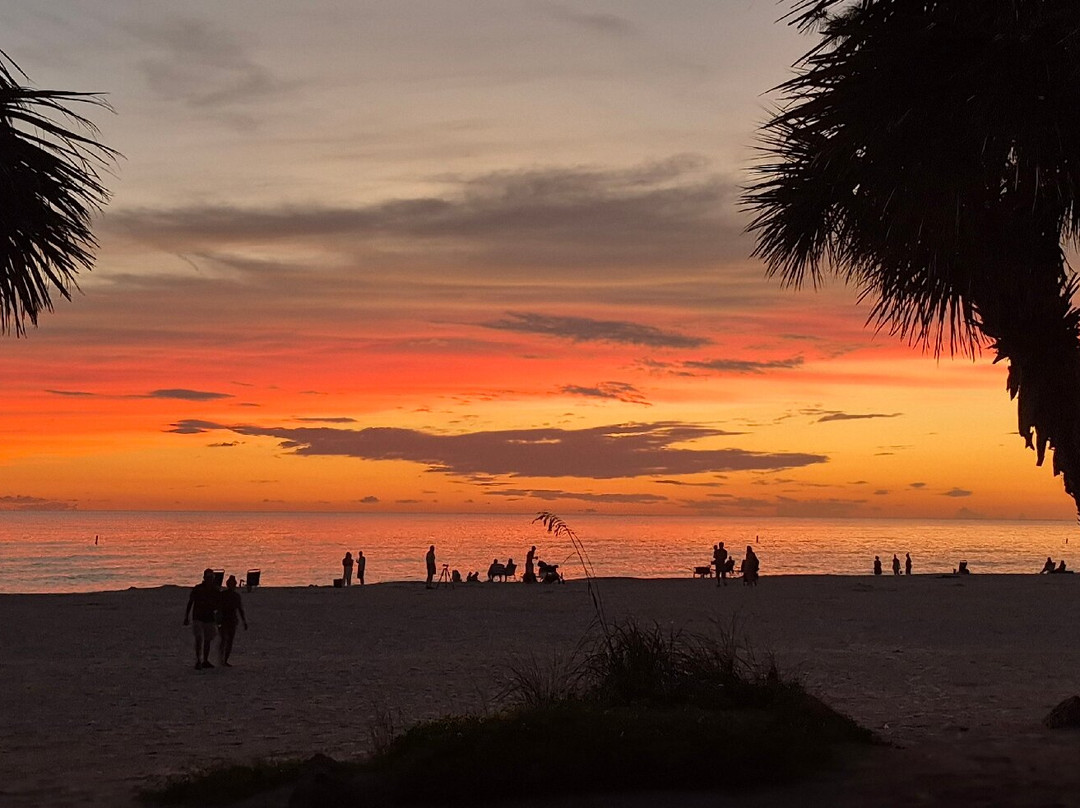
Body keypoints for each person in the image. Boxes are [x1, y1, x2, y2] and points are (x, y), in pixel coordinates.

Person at [183, 568, 220, 670]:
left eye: (211, 577)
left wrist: (219, 617)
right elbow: (190, 602)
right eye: (208, 577)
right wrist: (187, 616)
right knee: (199, 639)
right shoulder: (198, 589)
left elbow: (219, 605)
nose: (210, 579)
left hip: (209, 618)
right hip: (198, 617)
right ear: (204, 578)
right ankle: (198, 660)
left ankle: (205, 660)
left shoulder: (215, 590)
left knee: (207, 640)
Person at [217, 575, 247, 667]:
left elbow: (240, 609)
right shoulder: (223, 595)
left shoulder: (235, 596)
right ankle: (222, 658)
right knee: (224, 639)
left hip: (232, 620)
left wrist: (244, 621)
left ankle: (224, 659)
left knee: (228, 640)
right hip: (224, 619)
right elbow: (218, 607)